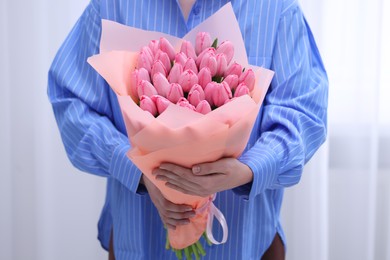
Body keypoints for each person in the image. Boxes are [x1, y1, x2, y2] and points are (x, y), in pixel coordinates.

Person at [47, 0, 328, 259]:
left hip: (248, 245)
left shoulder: (276, 8)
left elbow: (303, 114)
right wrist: (139, 171)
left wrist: (249, 170)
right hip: (138, 243)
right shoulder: (112, 5)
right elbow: (71, 102)